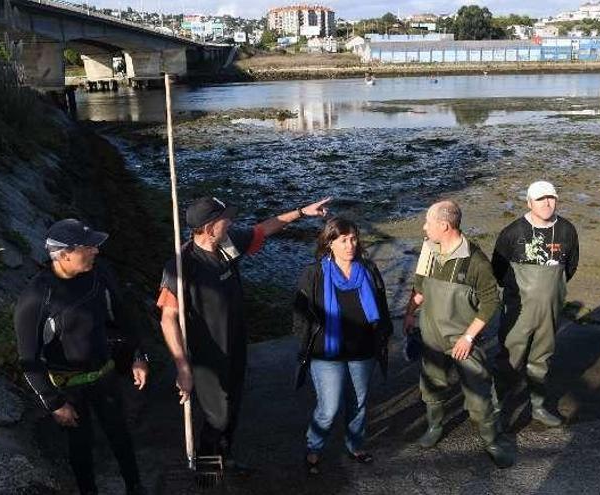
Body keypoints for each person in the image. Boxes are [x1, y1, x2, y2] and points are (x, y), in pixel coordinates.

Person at [157, 195, 330, 468]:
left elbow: (263, 229)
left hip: (236, 345)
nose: (232, 220)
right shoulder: (181, 266)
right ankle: (207, 469)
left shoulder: (227, 245)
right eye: (226, 217)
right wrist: (182, 367)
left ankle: (226, 457)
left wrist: (300, 212)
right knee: (218, 415)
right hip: (207, 354)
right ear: (210, 226)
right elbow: (168, 318)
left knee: (234, 407)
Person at [14, 219, 149, 495]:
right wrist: (54, 403)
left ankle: (135, 487)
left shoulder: (99, 275)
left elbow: (123, 316)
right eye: (89, 247)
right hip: (68, 386)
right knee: (80, 447)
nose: (96, 251)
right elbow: (28, 359)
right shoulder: (37, 296)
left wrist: (138, 355)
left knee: (120, 436)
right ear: (64, 254)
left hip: (105, 374)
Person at [402, 200, 509, 466]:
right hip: (431, 337)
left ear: (444, 225)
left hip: (462, 341)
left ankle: (492, 441)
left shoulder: (476, 262)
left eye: (428, 222)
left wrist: (469, 337)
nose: (424, 227)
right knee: (431, 386)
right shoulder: (428, 249)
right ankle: (435, 428)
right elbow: (419, 289)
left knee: (479, 392)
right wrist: (409, 314)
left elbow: (490, 301)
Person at [293, 218, 393, 474]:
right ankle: (314, 447)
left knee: (358, 403)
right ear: (329, 243)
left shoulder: (368, 269)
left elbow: (381, 306)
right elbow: (300, 315)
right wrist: (303, 344)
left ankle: (355, 445)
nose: (350, 245)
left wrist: (384, 335)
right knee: (329, 407)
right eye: (343, 240)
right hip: (326, 353)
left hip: (363, 351)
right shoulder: (313, 273)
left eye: (353, 239)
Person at [491, 180, 580, 430]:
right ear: (529, 202)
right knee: (509, 359)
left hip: (550, 311)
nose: (547, 203)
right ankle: (495, 410)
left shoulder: (566, 231)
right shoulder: (512, 233)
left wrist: (550, 292)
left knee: (542, 359)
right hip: (517, 311)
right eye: (540, 199)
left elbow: (570, 267)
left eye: (551, 198)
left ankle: (538, 407)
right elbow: (497, 270)